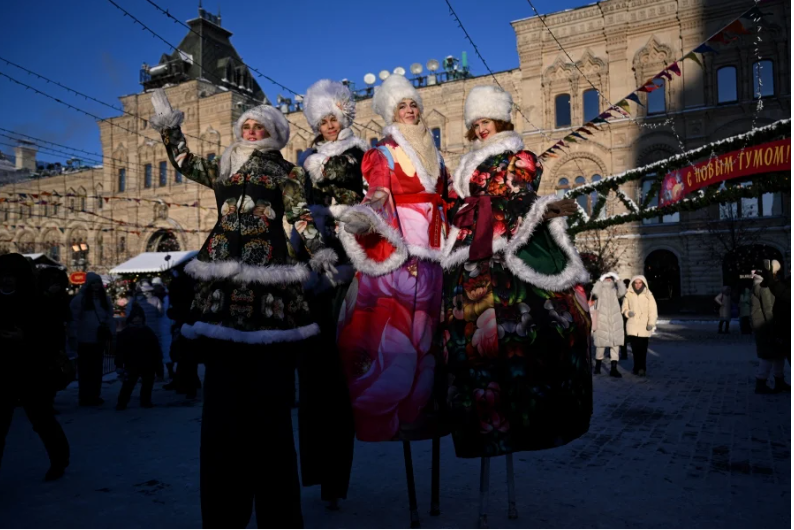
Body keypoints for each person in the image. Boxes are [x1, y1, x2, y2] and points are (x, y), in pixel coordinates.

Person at [150, 88, 335, 528]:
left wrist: (319, 252)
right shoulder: (224, 165)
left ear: (273, 133)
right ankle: (224, 511)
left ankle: (277, 512)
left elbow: (300, 216)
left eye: (258, 127)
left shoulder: (287, 171)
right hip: (221, 278)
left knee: (268, 400)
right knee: (222, 399)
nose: (250, 132)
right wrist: (170, 129)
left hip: (267, 274)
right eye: (246, 126)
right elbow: (184, 162)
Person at [332, 74, 450, 526]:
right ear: (390, 112)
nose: (410, 110)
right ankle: (395, 406)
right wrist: (366, 214)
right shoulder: (383, 151)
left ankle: (425, 405)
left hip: (436, 250)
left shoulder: (434, 151)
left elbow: (449, 194)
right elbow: (379, 190)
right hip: (405, 248)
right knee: (397, 322)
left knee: (428, 331)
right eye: (402, 106)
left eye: (413, 104)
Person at [296, 79, 365, 510]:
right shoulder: (306, 161)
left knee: (340, 381)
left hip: (350, 260)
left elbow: (372, 200)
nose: (328, 125)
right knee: (314, 379)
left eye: (333, 119)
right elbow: (299, 209)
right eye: (322, 120)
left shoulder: (359, 154)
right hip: (314, 264)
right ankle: (319, 475)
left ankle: (336, 479)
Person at [0, 254, 70, 481]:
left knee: (42, 420)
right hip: (3, 372)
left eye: (11, 276)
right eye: (3, 276)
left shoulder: (37, 302)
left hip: (32, 371)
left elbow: (52, 338)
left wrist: (25, 338)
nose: (6, 280)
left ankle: (59, 461)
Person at [70, 272, 115, 406]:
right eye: (93, 283)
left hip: (99, 339)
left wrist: (111, 332)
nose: (96, 285)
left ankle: (95, 395)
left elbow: (109, 317)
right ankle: (85, 396)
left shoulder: (104, 299)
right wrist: (73, 336)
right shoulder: (80, 300)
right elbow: (74, 319)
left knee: (96, 369)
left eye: (98, 282)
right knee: (85, 370)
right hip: (84, 339)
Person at [115, 303, 164, 410]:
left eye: (139, 317)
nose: (137, 320)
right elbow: (120, 351)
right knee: (129, 384)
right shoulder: (126, 333)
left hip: (147, 363)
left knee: (146, 383)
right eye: (135, 317)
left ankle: (144, 401)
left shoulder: (147, 332)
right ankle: (122, 402)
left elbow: (156, 351)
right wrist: (119, 364)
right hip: (132, 363)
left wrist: (159, 369)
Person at [37, 267, 74, 409]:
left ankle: (48, 399)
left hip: (56, 338)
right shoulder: (38, 297)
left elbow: (66, 316)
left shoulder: (61, 298)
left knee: (55, 370)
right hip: (41, 339)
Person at [751, 263, 788, 394]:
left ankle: (779, 381)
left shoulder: (759, 285)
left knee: (778, 355)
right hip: (767, 327)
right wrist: (774, 327)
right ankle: (761, 383)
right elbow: (768, 310)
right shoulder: (764, 287)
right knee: (768, 356)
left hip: (766, 326)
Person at [590, 272, 627, 377]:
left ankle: (614, 369)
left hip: (615, 320)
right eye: (606, 277)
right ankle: (598, 367)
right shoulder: (599, 289)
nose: (608, 279)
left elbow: (623, 292)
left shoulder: (615, 290)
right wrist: (600, 280)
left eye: (610, 277)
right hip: (602, 320)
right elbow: (594, 292)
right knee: (600, 345)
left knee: (615, 345)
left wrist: (618, 279)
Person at [622, 275, 657, 376]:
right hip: (632, 325)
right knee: (635, 349)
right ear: (633, 283)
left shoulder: (648, 295)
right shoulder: (628, 295)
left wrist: (651, 323)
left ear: (643, 283)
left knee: (643, 349)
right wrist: (628, 313)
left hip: (644, 326)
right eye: (636, 283)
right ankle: (636, 367)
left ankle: (642, 368)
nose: (638, 285)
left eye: (640, 283)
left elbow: (653, 311)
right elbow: (624, 308)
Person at [152, 277, 174, 380]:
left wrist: (172, 324)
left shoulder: (167, 297)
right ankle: (159, 373)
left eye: (157, 286)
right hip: (156, 327)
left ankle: (170, 371)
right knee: (157, 352)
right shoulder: (153, 298)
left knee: (167, 350)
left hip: (166, 327)